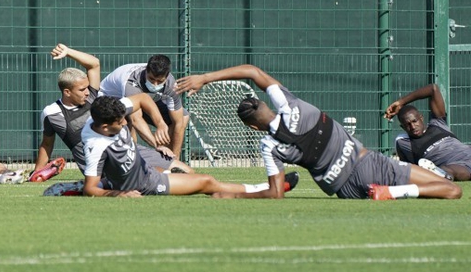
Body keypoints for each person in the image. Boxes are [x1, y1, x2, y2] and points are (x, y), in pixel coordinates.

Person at [176, 64, 462, 200]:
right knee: (452, 190)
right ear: (266, 104)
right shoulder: (294, 105)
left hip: (344, 190)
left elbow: (275, 194)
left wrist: (233, 196)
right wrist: (205, 77)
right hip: (368, 165)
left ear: (252, 126)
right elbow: (253, 71)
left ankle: (388, 192)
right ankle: (392, 192)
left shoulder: (269, 146)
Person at [35, 44, 188, 182]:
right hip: (104, 161)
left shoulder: (95, 98)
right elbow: (47, 144)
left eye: (88, 87)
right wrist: (37, 172)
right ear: (67, 92)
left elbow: (94, 64)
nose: (88, 92)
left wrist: (68, 51)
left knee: (185, 170)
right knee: (150, 175)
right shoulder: (53, 113)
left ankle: (163, 172)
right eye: (82, 90)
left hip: (126, 149)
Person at [81, 96, 280, 198]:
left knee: (186, 170)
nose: (125, 123)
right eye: (120, 122)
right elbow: (90, 188)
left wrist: (160, 124)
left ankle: (165, 172)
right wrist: (119, 194)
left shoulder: (107, 111)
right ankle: (261, 189)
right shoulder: (95, 146)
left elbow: (142, 98)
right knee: (206, 181)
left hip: (141, 162)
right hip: (144, 183)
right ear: (105, 127)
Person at [98, 55, 189, 157]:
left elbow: (178, 123)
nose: (155, 84)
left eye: (160, 81)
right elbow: (136, 119)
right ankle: (132, 158)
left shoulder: (170, 84)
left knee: (183, 117)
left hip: (148, 98)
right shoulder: (131, 82)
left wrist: (176, 158)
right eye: (151, 79)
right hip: (112, 99)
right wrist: (156, 145)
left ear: (166, 77)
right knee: (127, 122)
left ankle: (169, 160)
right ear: (146, 71)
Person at [384, 82, 471, 182]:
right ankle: (441, 175)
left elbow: (433, 88)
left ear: (421, 118)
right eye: (407, 125)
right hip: (456, 165)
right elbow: (407, 169)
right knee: (448, 171)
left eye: (414, 121)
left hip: (467, 151)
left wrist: (401, 102)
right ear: (402, 127)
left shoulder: (438, 123)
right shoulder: (404, 142)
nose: (413, 127)